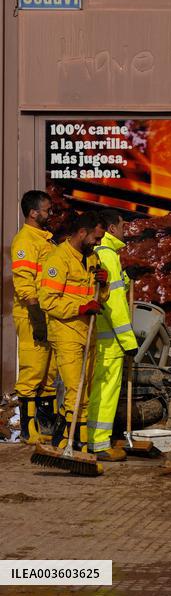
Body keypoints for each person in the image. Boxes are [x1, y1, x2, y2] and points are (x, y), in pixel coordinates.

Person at [39, 212, 109, 451]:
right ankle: (75, 441)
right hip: (66, 332)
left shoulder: (92, 258)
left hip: (87, 331)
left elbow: (100, 298)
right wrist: (80, 307)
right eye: (96, 238)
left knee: (86, 388)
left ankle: (67, 433)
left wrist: (104, 284)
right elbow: (47, 302)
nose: (98, 243)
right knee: (76, 389)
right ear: (82, 233)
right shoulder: (57, 260)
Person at [86, 209, 137, 462]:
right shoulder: (108, 256)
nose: (125, 229)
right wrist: (129, 341)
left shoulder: (97, 253)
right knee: (106, 392)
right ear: (112, 229)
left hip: (97, 336)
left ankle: (91, 439)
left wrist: (127, 278)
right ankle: (99, 443)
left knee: (95, 390)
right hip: (110, 340)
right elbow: (115, 303)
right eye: (123, 224)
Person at [10, 190, 58, 444]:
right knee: (33, 372)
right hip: (32, 315)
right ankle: (30, 431)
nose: (50, 214)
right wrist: (37, 317)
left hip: (47, 313)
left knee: (49, 373)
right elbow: (24, 283)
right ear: (33, 213)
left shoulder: (45, 240)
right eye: (47, 210)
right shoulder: (25, 241)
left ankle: (47, 426)